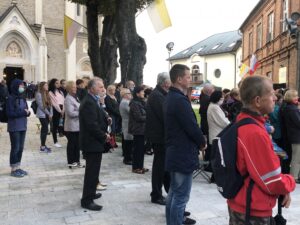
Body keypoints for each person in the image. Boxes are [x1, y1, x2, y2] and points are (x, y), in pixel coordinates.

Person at [227, 76, 296, 225]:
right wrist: (290, 182)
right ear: (258, 101)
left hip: (244, 203)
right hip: (251, 210)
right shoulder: (254, 132)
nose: (275, 98)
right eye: (271, 94)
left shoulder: (244, 120)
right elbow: (272, 181)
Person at [165, 64, 206, 225]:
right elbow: (191, 127)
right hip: (182, 153)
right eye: (188, 76)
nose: (191, 79)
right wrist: (202, 142)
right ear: (179, 79)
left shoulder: (171, 97)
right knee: (181, 196)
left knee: (174, 193)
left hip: (176, 151)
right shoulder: (179, 100)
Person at [80, 78, 110, 211]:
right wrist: (104, 136)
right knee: (91, 172)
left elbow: (98, 116)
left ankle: (91, 193)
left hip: (95, 142)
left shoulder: (93, 100)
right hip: (91, 142)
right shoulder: (88, 102)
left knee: (94, 171)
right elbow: (91, 125)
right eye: (100, 87)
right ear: (92, 88)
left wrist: (106, 118)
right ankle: (86, 200)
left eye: (103, 87)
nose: (102, 89)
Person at [145, 72, 171, 205]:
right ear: (165, 83)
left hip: (161, 136)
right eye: (170, 81)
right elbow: (165, 115)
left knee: (163, 167)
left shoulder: (160, 94)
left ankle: (165, 193)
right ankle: (156, 194)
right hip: (159, 137)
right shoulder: (157, 95)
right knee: (159, 168)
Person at [6, 79, 31, 177]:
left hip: (23, 126)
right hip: (14, 127)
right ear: (15, 86)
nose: (22, 87)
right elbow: (9, 113)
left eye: (23, 86)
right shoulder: (10, 98)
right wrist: (23, 113)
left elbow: (26, 110)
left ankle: (18, 167)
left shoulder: (23, 97)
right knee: (15, 148)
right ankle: (13, 169)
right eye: (20, 86)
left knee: (20, 148)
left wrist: (27, 113)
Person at [64, 81, 84, 168]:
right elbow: (70, 113)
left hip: (77, 125)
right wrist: (81, 112)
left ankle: (77, 161)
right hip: (71, 126)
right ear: (68, 89)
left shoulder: (75, 97)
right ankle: (71, 161)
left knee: (77, 145)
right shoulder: (68, 99)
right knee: (72, 145)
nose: (75, 88)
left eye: (75, 87)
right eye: (73, 87)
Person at [282, 90, 300, 184]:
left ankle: (295, 175)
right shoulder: (293, 109)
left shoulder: (289, 108)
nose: (297, 98)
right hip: (296, 136)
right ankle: (294, 176)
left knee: (297, 157)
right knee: (297, 158)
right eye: (295, 96)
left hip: (293, 135)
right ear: (290, 98)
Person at [128, 86, 148, 174]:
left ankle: (140, 166)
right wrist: (149, 117)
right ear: (137, 94)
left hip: (142, 129)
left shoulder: (141, 102)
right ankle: (136, 167)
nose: (143, 93)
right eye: (142, 92)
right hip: (137, 129)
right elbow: (138, 117)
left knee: (141, 149)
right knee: (137, 149)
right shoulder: (134, 103)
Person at [35, 82, 53, 153]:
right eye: (45, 85)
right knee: (44, 129)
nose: (47, 86)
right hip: (42, 114)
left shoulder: (47, 93)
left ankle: (43, 145)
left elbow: (50, 104)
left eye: (47, 85)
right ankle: (42, 147)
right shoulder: (38, 94)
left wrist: (51, 113)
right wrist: (49, 114)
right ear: (42, 86)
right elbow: (41, 106)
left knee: (45, 129)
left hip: (48, 114)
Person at [119, 88, 133, 165]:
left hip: (128, 122)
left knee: (129, 141)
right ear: (125, 95)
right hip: (127, 123)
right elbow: (131, 111)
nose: (130, 94)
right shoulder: (125, 102)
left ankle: (128, 157)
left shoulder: (127, 102)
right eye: (129, 93)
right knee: (128, 142)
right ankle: (127, 158)